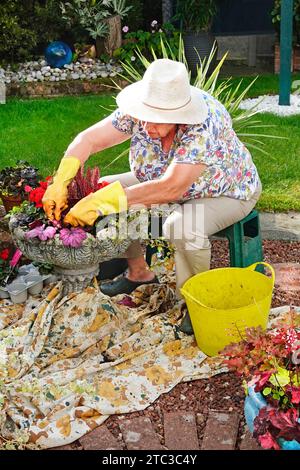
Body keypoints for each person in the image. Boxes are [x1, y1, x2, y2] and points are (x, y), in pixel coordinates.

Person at [42, 58, 262, 302]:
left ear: (178, 114)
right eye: (143, 116)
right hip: (163, 182)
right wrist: (61, 181)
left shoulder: (205, 123)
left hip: (224, 192)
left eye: (154, 118)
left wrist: (102, 203)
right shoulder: (141, 111)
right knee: (102, 186)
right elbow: (89, 140)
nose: (145, 125)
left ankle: (195, 301)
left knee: (181, 226)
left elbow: (172, 186)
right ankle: (138, 273)